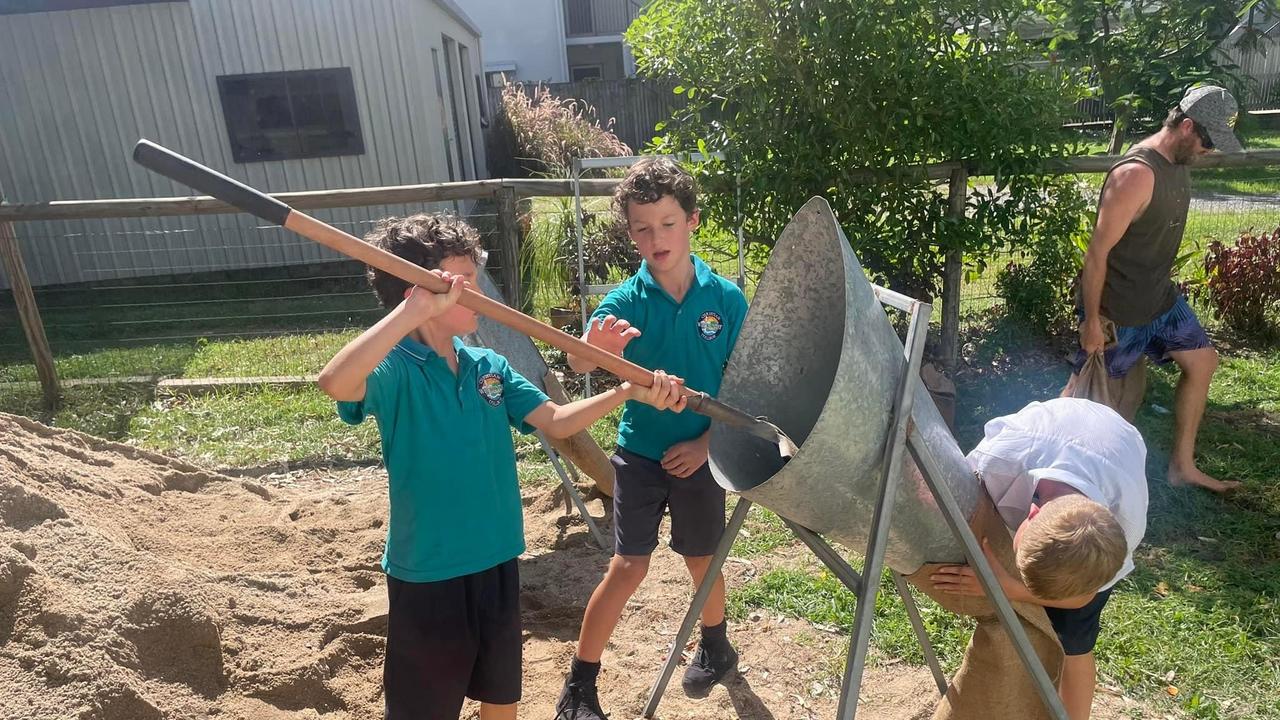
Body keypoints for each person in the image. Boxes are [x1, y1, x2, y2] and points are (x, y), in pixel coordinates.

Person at [317, 212, 687, 720]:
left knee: (501, 696)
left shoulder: (486, 367)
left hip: (496, 559)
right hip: (429, 571)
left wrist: (627, 390)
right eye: (463, 283)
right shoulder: (395, 368)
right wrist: (410, 314)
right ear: (419, 292)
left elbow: (556, 420)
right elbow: (335, 383)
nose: (478, 294)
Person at [555, 158, 749, 720]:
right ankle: (581, 685)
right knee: (627, 566)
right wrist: (599, 352)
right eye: (642, 228)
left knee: (701, 560)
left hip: (702, 453)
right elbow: (580, 355)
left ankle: (716, 647)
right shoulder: (625, 301)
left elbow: (747, 382)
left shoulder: (726, 300)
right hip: (639, 454)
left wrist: (708, 445)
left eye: (667, 223)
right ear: (630, 232)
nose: (655, 238)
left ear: (691, 220)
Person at [1067, 84, 1244, 492]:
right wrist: (1092, 322)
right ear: (1186, 126)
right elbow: (1096, 255)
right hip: (1120, 312)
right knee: (1100, 405)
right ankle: (1074, 485)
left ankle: (1181, 467)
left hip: (1160, 301)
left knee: (1202, 362)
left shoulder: (1178, 162)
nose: (1210, 151)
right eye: (1208, 140)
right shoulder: (1135, 176)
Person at [931, 398, 1149, 720]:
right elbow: (960, 499)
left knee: (1075, 640)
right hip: (1054, 430)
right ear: (1028, 512)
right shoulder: (997, 460)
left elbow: (1083, 598)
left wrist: (1005, 588)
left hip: (1118, 447)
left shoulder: (1124, 525)